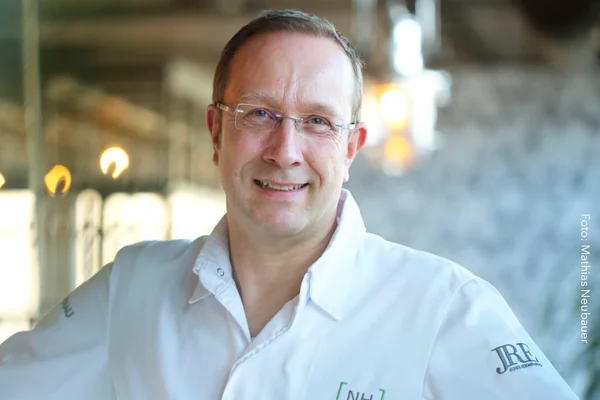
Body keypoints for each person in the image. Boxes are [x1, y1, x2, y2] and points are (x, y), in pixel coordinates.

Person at [0, 9, 579, 400]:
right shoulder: (132, 287)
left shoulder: (445, 306)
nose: (285, 151)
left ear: (350, 148)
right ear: (216, 132)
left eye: (318, 121)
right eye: (258, 113)